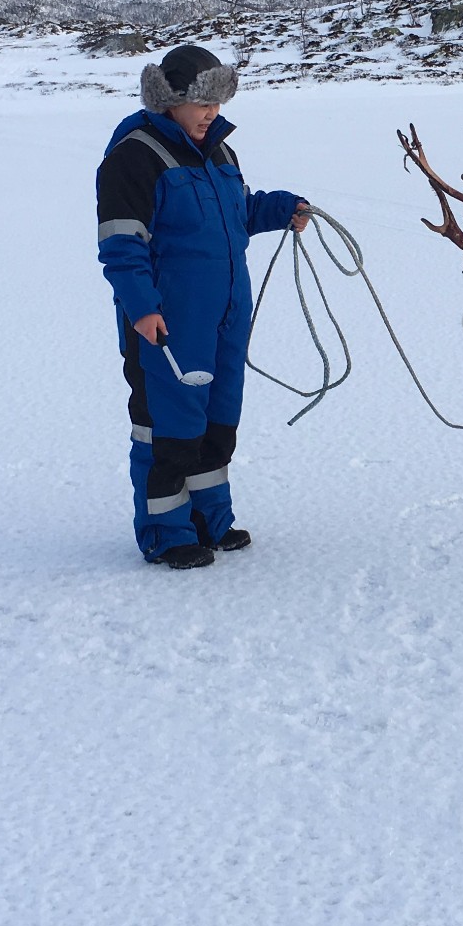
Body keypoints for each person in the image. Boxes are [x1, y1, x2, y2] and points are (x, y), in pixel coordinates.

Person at [95, 45, 307, 568]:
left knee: (217, 420)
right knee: (168, 424)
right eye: (201, 103)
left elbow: (235, 215)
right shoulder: (135, 155)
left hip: (228, 314)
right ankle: (166, 532)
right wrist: (142, 307)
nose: (212, 113)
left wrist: (278, 209)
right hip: (168, 319)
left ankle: (209, 519)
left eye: (218, 102)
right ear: (171, 99)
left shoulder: (219, 152)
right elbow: (122, 244)